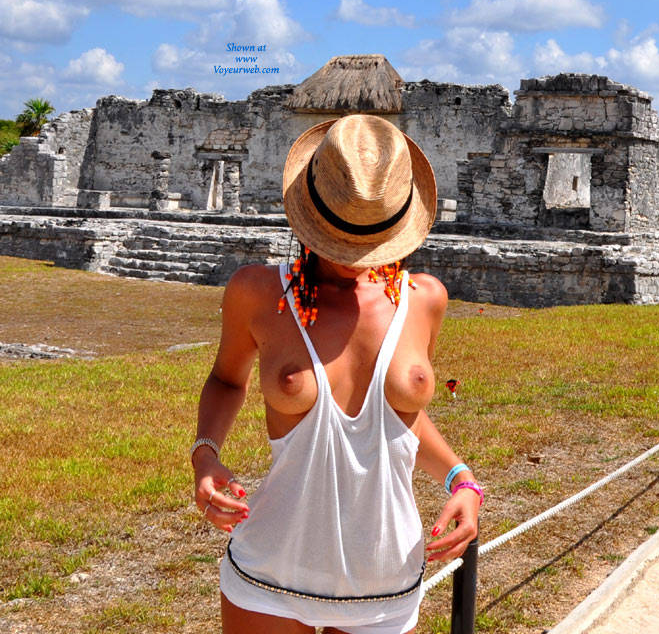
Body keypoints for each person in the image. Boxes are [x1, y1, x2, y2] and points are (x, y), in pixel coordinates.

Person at [190, 115, 482, 633]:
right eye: (340, 233)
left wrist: (462, 480)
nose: (355, 257)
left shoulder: (424, 300)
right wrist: (205, 457)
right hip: (269, 573)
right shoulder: (258, 293)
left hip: (385, 575)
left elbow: (402, 419)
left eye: (368, 233)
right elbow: (226, 380)